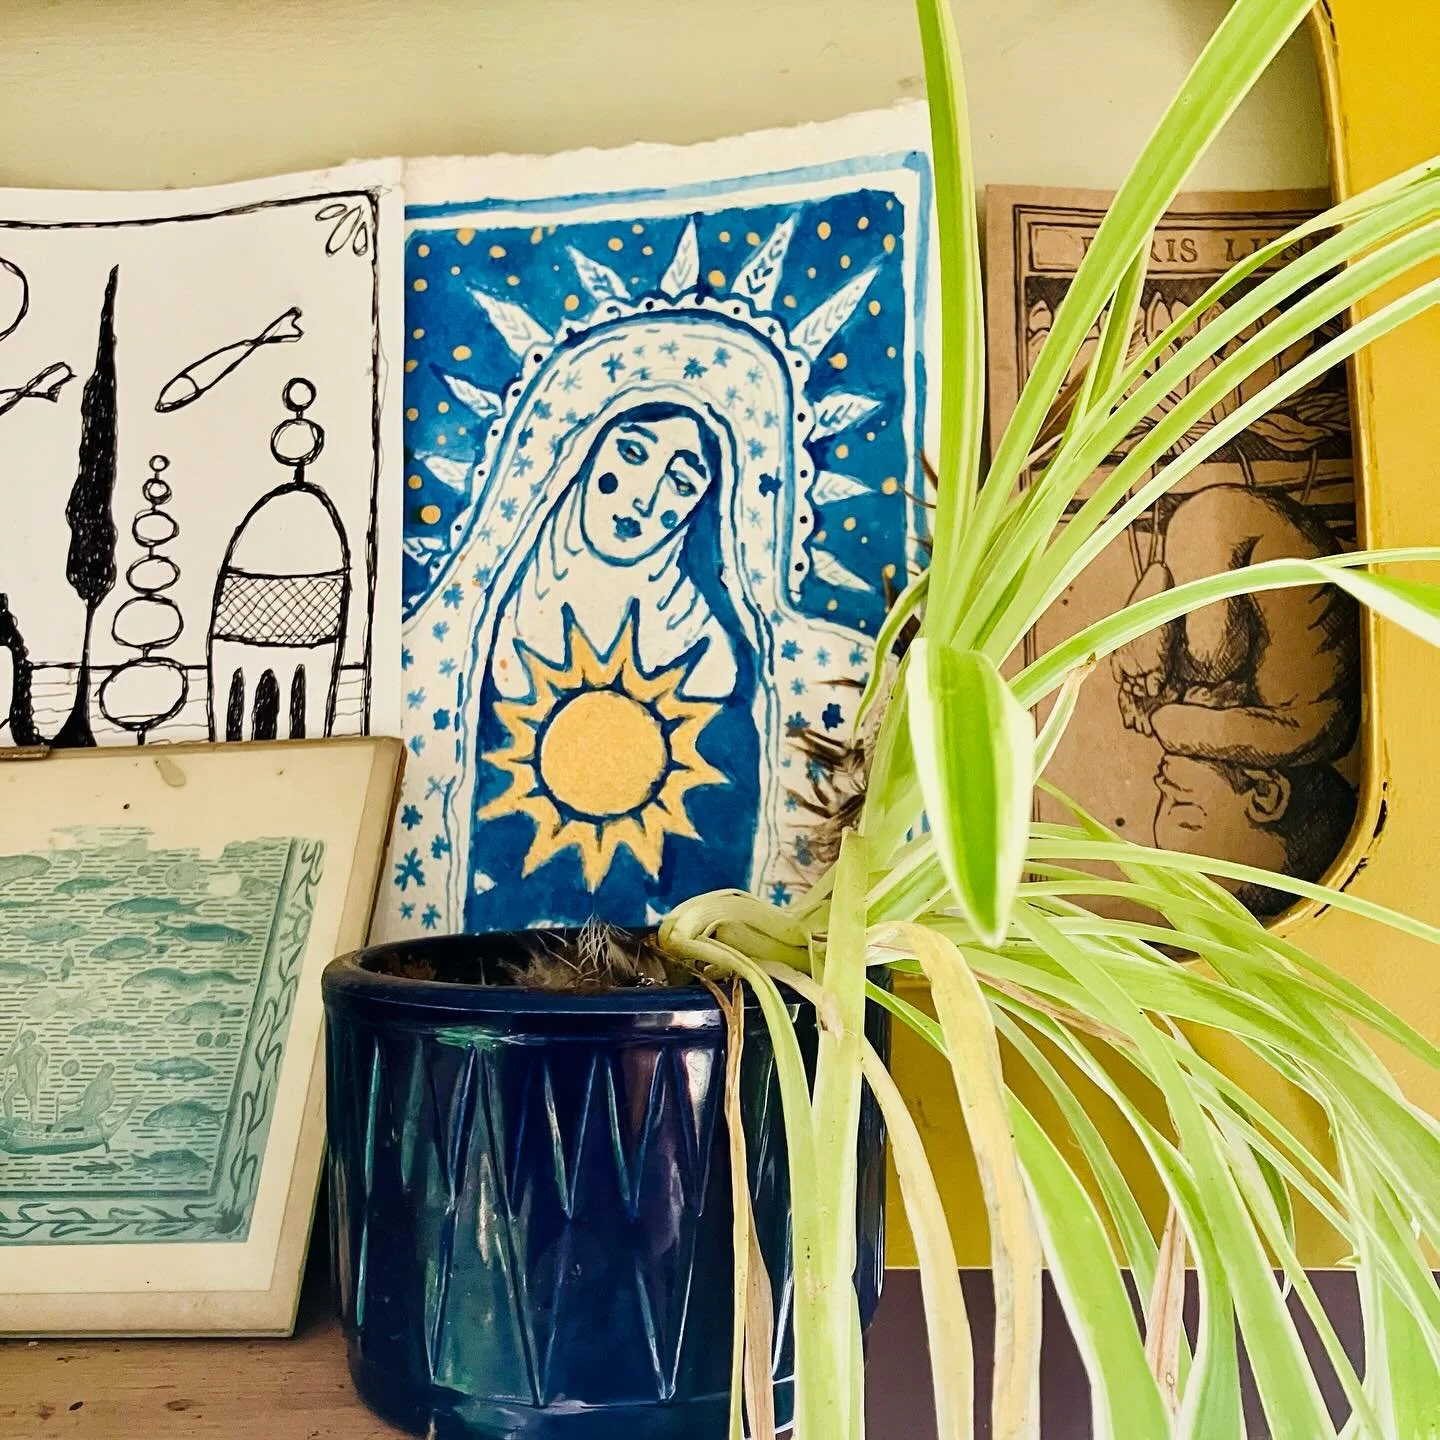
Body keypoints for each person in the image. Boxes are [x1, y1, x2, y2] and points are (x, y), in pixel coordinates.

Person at [1112, 483, 1361, 910]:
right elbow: (1174, 726)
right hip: (1239, 537)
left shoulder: (1312, 729)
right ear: (1266, 795)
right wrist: (1154, 708)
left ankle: (1156, 619)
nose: (1159, 784)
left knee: (1199, 668)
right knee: (1208, 660)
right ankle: (1152, 628)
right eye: (1181, 804)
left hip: (1220, 544)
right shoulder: (1292, 732)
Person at [54, 1062, 117, 1132]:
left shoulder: (109, 1088)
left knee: (63, 1125)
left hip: (89, 1117)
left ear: (109, 1075)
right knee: (61, 1121)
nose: (101, 1074)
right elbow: (79, 1097)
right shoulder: (93, 1084)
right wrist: (62, 1102)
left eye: (104, 1073)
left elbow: (109, 1103)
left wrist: (96, 1113)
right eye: (101, 1072)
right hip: (80, 1112)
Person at [0, 1030, 46, 1119]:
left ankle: (34, 1120)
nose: (26, 1040)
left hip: (30, 1077)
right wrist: (12, 1049)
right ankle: (9, 1120)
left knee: (32, 1098)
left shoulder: (35, 1048)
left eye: (28, 1038)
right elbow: (3, 1065)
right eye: (24, 1038)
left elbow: (44, 1055)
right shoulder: (18, 1054)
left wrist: (43, 1073)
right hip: (21, 1078)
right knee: (6, 1098)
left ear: (32, 1039)